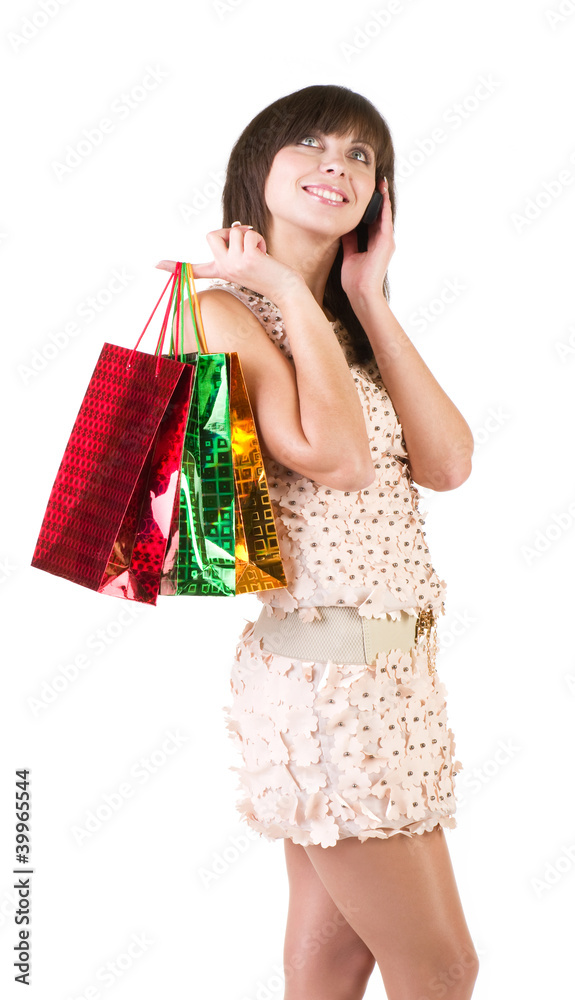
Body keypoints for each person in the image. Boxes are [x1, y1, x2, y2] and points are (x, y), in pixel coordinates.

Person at [157, 84, 479, 1000]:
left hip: (394, 681)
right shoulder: (221, 311)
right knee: (443, 967)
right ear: (259, 167)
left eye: (360, 156)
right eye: (311, 144)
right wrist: (276, 287)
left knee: (333, 962)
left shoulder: (339, 324)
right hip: (325, 692)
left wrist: (366, 296)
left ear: (377, 199)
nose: (335, 165)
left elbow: (448, 462)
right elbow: (333, 458)